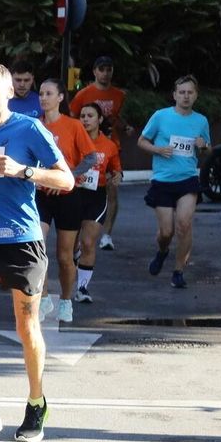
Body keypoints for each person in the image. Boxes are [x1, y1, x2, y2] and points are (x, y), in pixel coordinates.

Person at [0, 63, 74, 442]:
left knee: (27, 327)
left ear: (8, 92)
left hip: (21, 240)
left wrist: (24, 171)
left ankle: (36, 402)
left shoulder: (30, 128)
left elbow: (67, 179)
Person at [137, 75, 211, 289]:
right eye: (182, 92)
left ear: (196, 95)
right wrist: (158, 150)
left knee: (184, 225)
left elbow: (208, 150)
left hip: (188, 179)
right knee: (166, 232)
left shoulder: (201, 121)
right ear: (175, 95)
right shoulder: (161, 116)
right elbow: (142, 141)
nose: (186, 96)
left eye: (190, 92)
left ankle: (178, 271)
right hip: (163, 180)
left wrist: (203, 146)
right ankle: (162, 251)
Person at [36, 78, 97, 323]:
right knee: (37, 247)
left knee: (64, 256)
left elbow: (91, 157)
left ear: (60, 97)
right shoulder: (33, 125)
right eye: (41, 93)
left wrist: (65, 177)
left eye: (49, 93)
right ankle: (43, 298)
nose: (43, 98)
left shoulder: (73, 125)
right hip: (40, 194)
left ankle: (66, 300)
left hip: (68, 196)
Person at [70, 57, 129, 249]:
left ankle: (107, 235)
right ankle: (78, 237)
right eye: (101, 69)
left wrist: (125, 127)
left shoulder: (119, 94)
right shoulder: (83, 94)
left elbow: (117, 117)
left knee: (111, 190)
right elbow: (72, 117)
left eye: (109, 69)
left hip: (110, 146)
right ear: (95, 71)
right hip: (84, 147)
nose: (105, 73)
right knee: (81, 191)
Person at [74, 102, 121, 303]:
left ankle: (82, 288)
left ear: (100, 119)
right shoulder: (72, 141)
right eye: (82, 115)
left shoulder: (109, 146)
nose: (85, 119)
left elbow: (116, 169)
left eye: (90, 115)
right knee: (71, 247)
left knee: (88, 242)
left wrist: (117, 176)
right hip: (72, 195)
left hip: (96, 197)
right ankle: (76, 256)